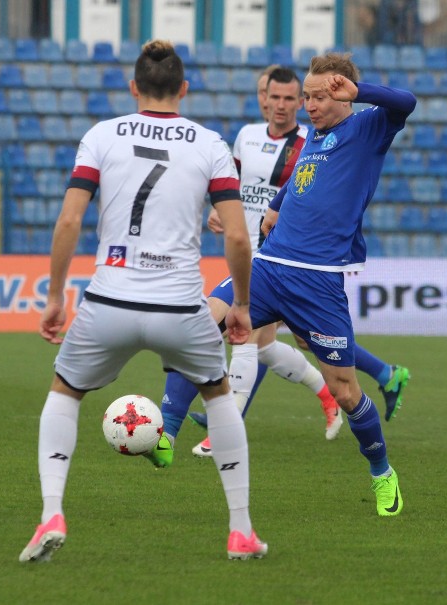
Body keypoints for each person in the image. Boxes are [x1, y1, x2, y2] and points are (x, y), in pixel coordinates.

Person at [19, 40, 266, 563]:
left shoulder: (102, 135)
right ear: (184, 89)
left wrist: (57, 294)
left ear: (133, 88)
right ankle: (241, 531)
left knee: (65, 391)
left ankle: (51, 513)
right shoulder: (209, 144)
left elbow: (68, 220)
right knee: (220, 396)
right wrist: (241, 304)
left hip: (109, 299)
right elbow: (239, 239)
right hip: (179, 306)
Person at [255, 51, 415, 516]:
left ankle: (382, 473)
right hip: (269, 264)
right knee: (205, 323)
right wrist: (277, 204)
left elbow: (406, 101)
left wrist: (359, 93)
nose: (309, 104)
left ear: (343, 93)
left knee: (345, 391)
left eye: (318, 95)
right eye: (306, 95)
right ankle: (166, 426)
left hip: (319, 280)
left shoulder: (366, 128)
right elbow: (307, 174)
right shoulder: (317, 137)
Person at [158, 65, 344, 464]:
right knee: (260, 344)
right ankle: (333, 393)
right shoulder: (246, 136)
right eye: (271, 95)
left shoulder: (313, 140)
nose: (277, 104)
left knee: (246, 336)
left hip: (286, 257)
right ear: (263, 97)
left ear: (299, 101)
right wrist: (222, 213)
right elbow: (235, 187)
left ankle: (221, 430)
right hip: (247, 250)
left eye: (287, 98)